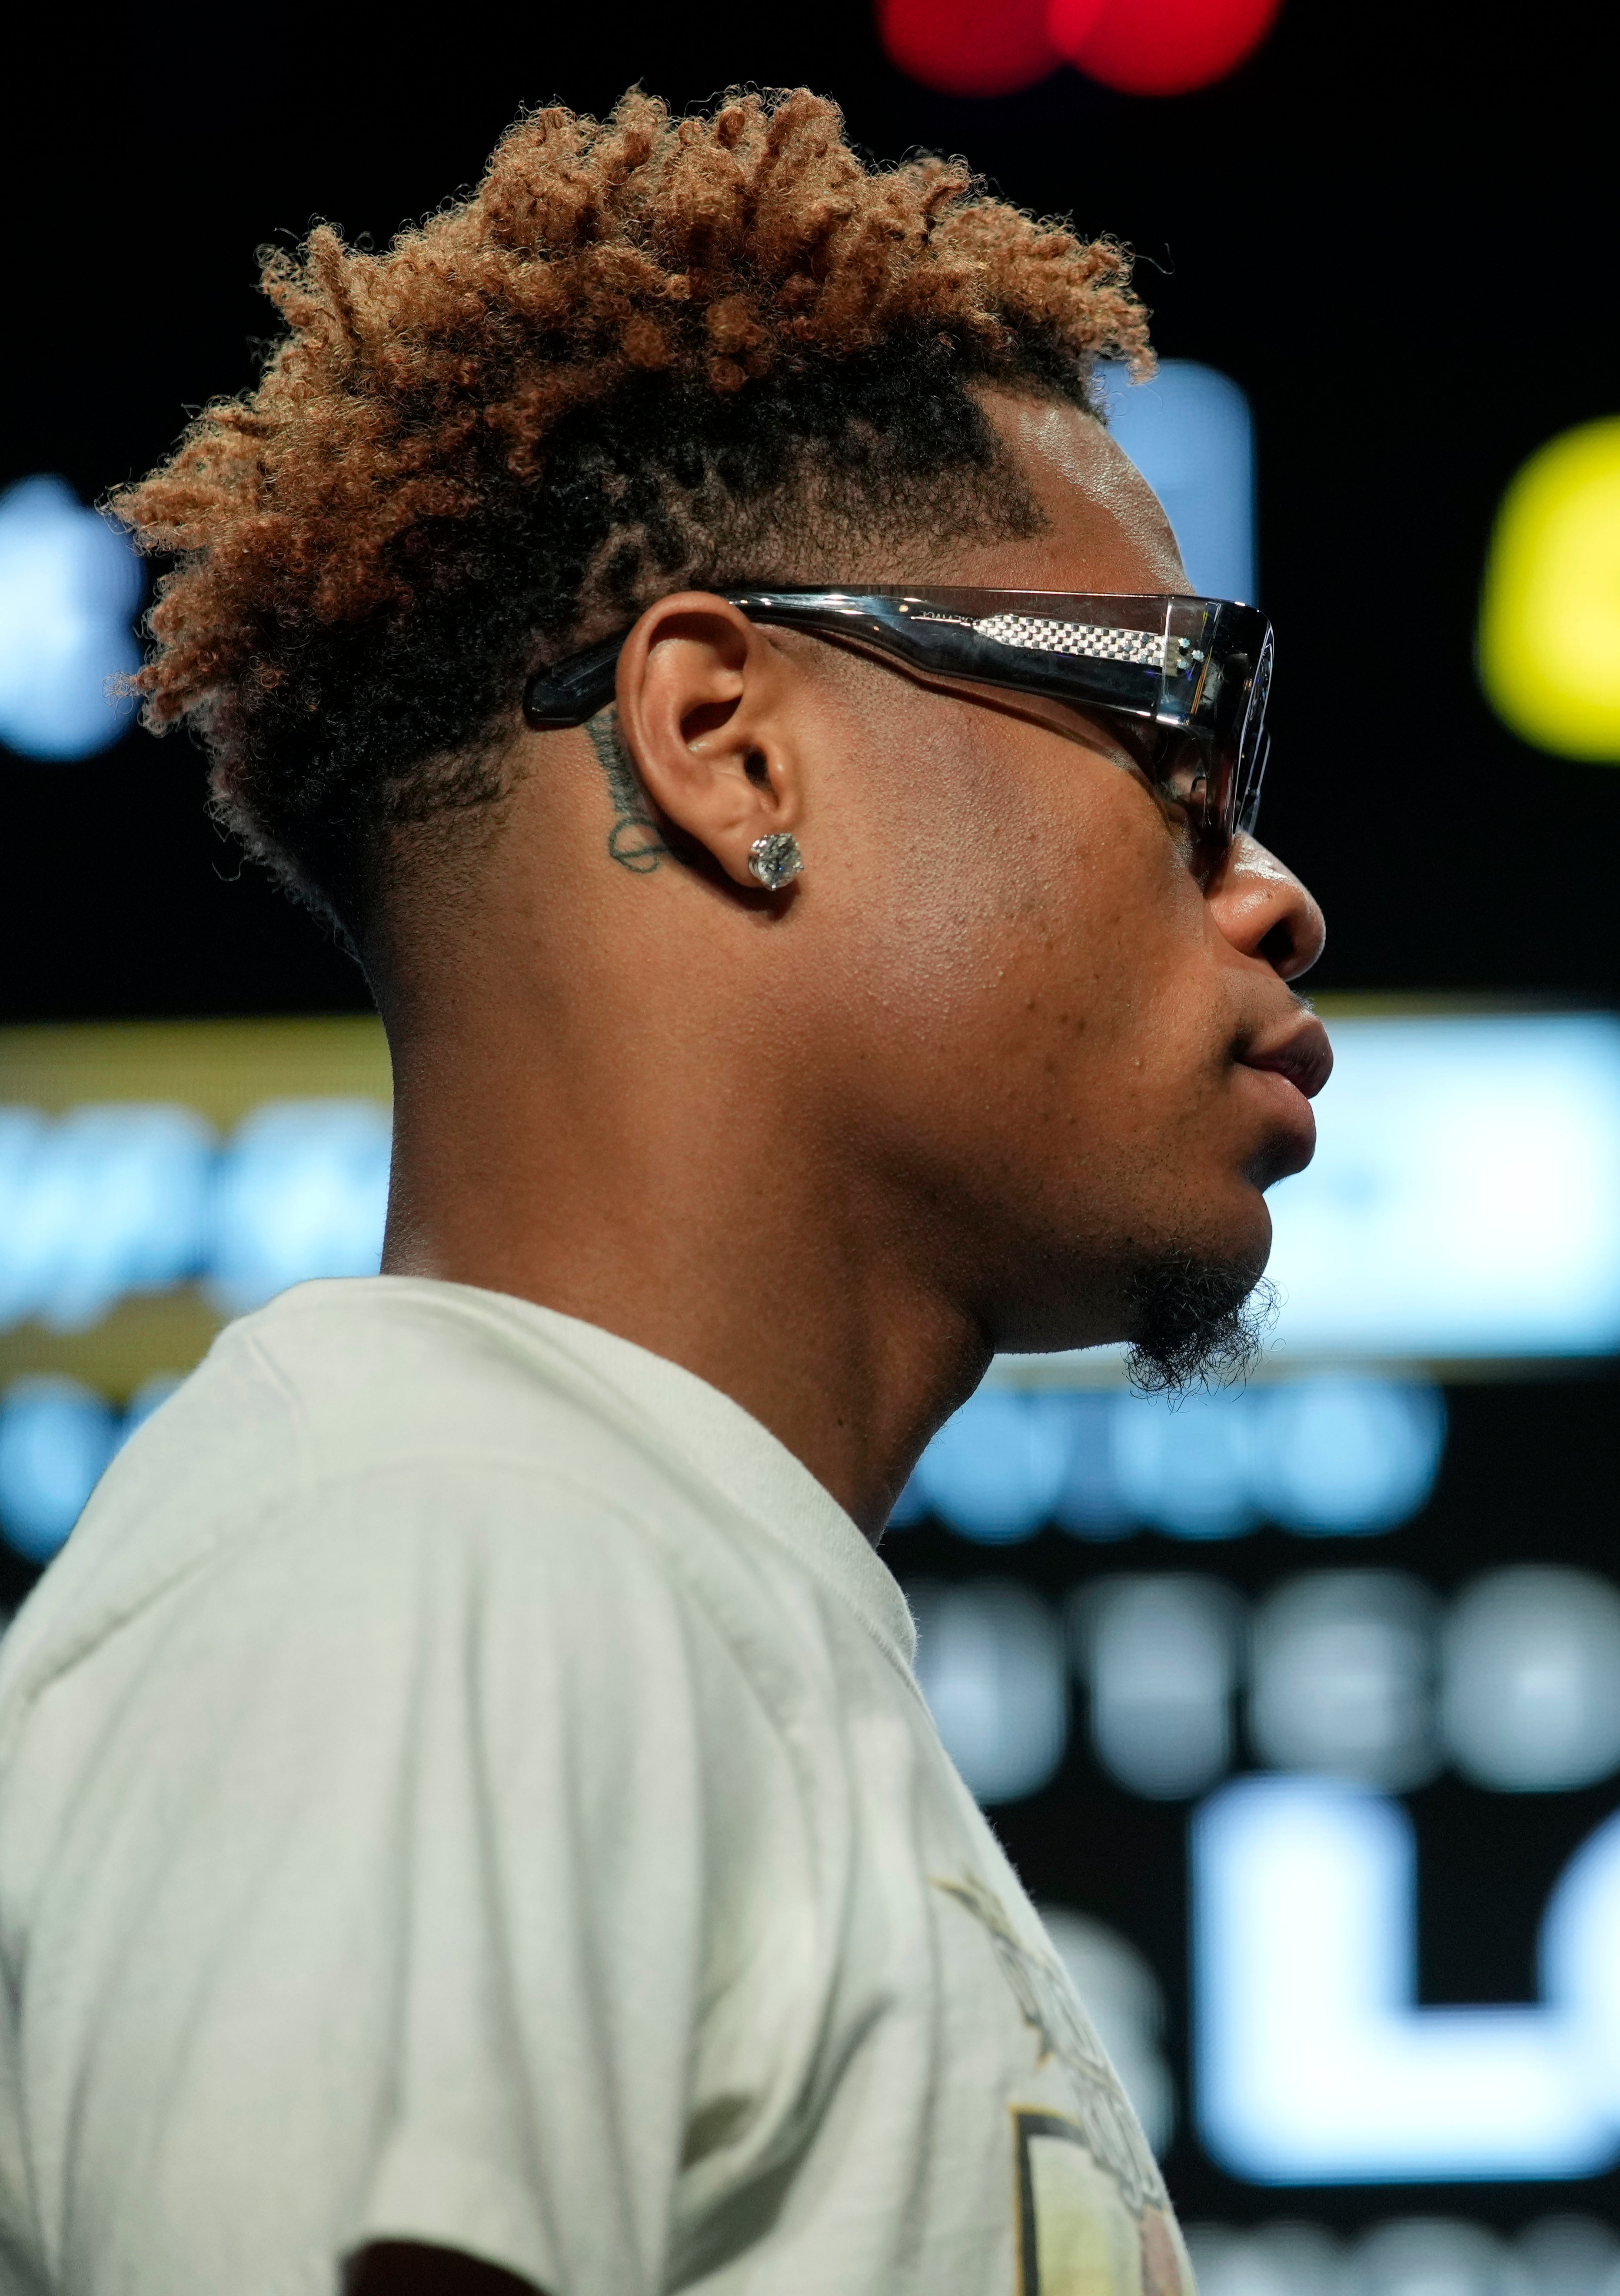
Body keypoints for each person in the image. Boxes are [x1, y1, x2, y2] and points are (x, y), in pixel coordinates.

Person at [0, 89, 1327, 2296]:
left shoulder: (606, 1568)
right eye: (1174, 732)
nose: (1272, 894)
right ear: (727, 744)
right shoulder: (442, 1548)